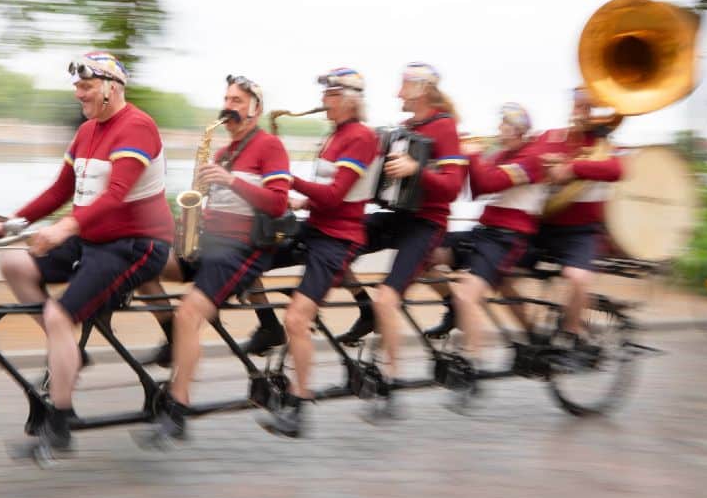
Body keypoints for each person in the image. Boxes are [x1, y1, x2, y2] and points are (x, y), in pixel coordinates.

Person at [0, 51, 173, 452]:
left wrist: (65, 227)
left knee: (58, 314)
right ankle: (66, 346)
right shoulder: (88, 130)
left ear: (111, 87)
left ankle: (61, 421)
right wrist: (9, 224)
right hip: (92, 236)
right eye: (76, 87)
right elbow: (60, 191)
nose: (78, 94)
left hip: (137, 243)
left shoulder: (137, 127)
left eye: (86, 86)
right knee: (14, 261)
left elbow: (117, 195)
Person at [135, 74, 291, 444]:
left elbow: (278, 202)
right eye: (226, 99)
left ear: (255, 108)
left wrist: (230, 180)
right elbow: (212, 205)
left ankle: (178, 407)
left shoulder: (270, 146)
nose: (228, 106)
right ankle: (177, 340)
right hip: (209, 243)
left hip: (243, 249)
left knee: (190, 313)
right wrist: (184, 220)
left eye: (237, 100)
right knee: (144, 265)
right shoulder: (222, 152)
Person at [333, 62, 467, 419]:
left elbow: (454, 186)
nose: (397, 93)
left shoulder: (445, 127)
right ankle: (365, 309)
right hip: (398, 216)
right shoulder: (406, 129)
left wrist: (417, 170)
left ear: (422, 89)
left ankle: (389, 383)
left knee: (388, 298)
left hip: (426, 224)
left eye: (403, 86)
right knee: (335, 245)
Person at [257, 68, 378, 439]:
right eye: (324, 94)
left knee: (298, 319)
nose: (323, 101)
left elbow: (335, 195)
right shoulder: (336, 134)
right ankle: (267, 329)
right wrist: (297, 199)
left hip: (338, 239)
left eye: (330, 95)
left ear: (349, 99)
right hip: (316, 227)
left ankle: (299, 404)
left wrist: (288, 178)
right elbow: (322, 194)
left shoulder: (360, 137)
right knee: (249, 259)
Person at [508, 86, 623, 360]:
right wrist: (544, 165)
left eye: (588, 107)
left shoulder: (605, 147)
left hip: (581, 233)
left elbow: (618, 170)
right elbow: (528, 159)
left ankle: (572, 336)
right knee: (499, 272)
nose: (580, 112)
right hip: (542, 227)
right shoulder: (551, 137)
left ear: (600, 113)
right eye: (578, 105)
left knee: (578, 277)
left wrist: (572, 168)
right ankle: (532, 332)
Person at [443, 104, 548, 374]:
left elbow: (491, 183)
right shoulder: (502, 154)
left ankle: (472, 361)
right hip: (487, 232)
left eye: (503, 125)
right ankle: (455, 311)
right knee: (432, 251)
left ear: (518, 131)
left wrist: (474, 154)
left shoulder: (532, 158)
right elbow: (477, 189)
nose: (498, 128)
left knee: (468, 294)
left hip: (510, 237)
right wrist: (462, 157)